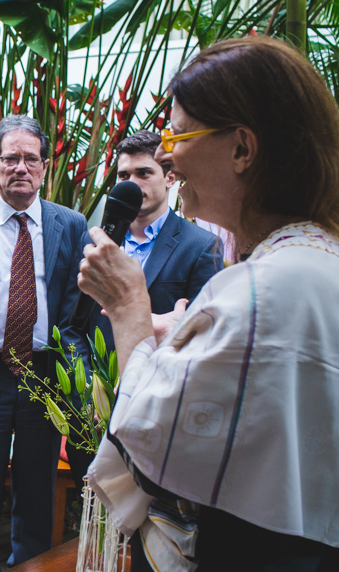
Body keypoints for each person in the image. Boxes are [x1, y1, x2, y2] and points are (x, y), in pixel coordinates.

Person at [79, 36, 339, 572]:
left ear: (243, 148)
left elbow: (150, 434)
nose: (169, 163)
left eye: (177, 139)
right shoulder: (334, 269)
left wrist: (129, 311)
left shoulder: (262, 289)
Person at [0, 115, 89, 572]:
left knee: (36, 496)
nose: (21, 168)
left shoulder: (70, 225)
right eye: (11, 158)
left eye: (31, 159)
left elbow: (75, 308)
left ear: (45, 167)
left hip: (44, 377)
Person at [64, 131, 224, 487]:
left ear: (169, 177)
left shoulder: (201, 247)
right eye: (124, 176)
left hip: (157, 416)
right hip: (91, 416)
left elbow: (202, 342)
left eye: (143, 173)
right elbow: (72, 327)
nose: (132, 184)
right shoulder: (92, 244)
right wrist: (89, 391)